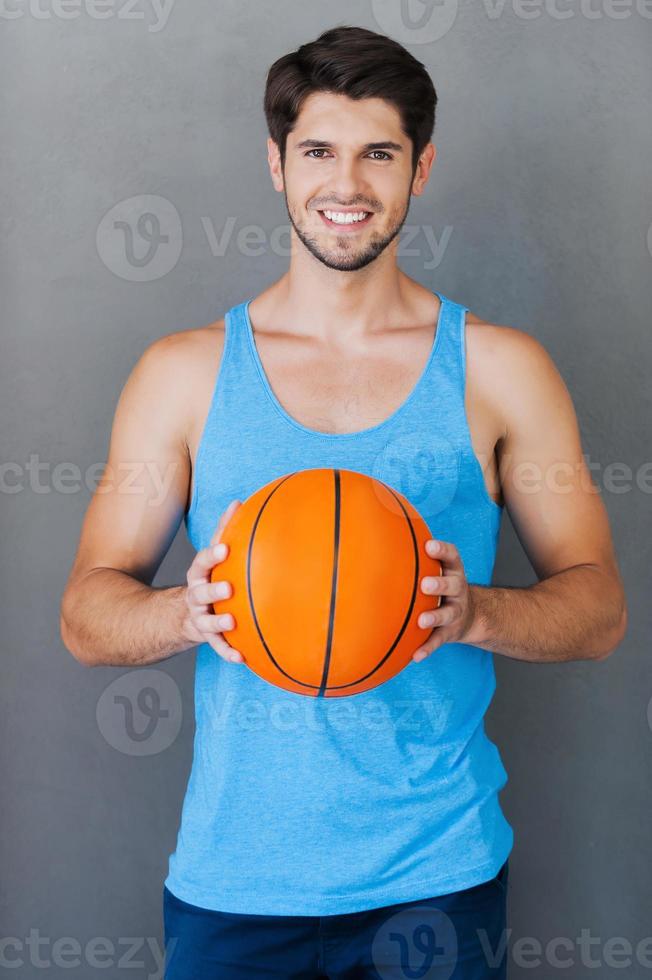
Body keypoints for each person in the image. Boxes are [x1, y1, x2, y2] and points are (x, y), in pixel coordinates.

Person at [60, 24, 627, 980]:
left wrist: (477, 611)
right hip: (234, 883)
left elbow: (600, 609)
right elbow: (84, 615)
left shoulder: (500, 370)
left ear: (423, 167)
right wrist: (182, 613)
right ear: (275, 165)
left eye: (380, 154)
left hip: (437, 878)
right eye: (319, 151)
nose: (348, 185)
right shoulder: (185, 376)